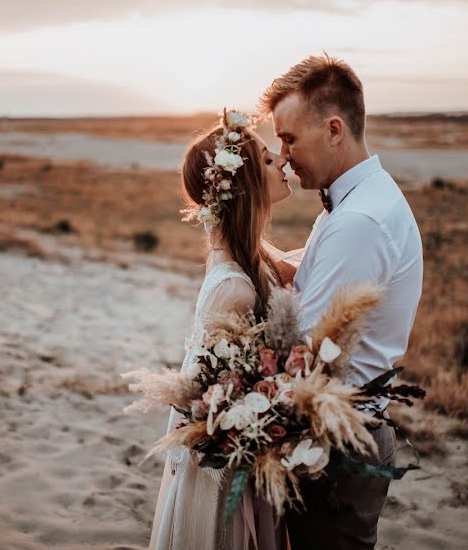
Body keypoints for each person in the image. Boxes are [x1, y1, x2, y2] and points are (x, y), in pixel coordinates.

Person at [258, 54, 424, 550]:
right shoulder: (358, 198)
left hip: (338, 445)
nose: (283, 156)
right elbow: (305, 272)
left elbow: (305, 353)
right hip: (340, 431)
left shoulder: (358, 222)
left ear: (334, 129)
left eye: (289, 138)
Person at [148, 110, 292, 550]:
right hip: (226, 471)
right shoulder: (235, 288)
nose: (282, 162)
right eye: (269, 160)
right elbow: (214, 396)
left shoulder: (251, 256)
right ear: (246, 184)